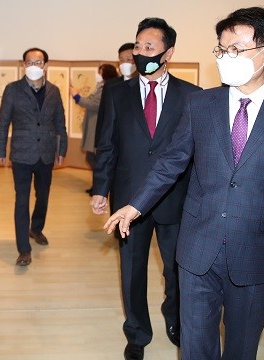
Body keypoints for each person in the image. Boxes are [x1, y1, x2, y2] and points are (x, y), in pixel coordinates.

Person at [101, 7, 264, 360]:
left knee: (241, 346)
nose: (225, 57)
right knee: (195, 346)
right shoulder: (200, 104)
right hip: (197, 247)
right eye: (222, 49)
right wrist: (135, 205)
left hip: (256, 251)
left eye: (236, 49)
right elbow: (171, 162)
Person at [91, 18, 201, 360]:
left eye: (149, 47)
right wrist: (100, 189)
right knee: (132, 270)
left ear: (168, 53)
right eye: (137, 46)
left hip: (175, 199)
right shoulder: (116, 92)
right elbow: (106, 144)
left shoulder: (192, 95)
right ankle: (137, 332)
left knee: (177, 269)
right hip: (128, 199)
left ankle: (176, 319)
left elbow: (198, 153)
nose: (140, 52)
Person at [0, 47, 68, 267]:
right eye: (29, 62)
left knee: (43, 196)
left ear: (46, 65)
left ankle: (36, 229)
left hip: (46, 153)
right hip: (21, 153)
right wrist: (0, 150)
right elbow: (3, 122)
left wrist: (61, 150)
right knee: (22, 200)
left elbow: (60, 123)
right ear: (23, 65)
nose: (33, 66)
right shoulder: (12, 90)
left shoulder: (54, 91)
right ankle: (24, 250)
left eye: (38, 62)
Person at [69, 63, 119, 194]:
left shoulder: (107, 89)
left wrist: (76, 96)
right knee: (91, 158)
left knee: (94, 158)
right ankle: (96, 185)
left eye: (100, 72)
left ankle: (99, 187)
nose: (98, 75)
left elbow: (93, 104)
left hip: (97, 127)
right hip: (92, 126)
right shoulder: (100, 87)